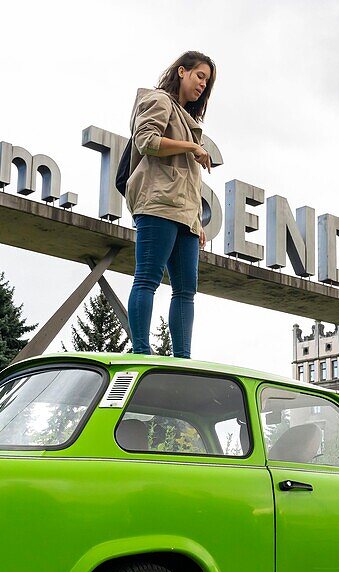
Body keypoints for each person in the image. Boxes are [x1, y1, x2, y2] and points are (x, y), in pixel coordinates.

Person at [123, 51, 216, 358]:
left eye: (208, 81)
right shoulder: (159, 101)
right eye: (199, 76)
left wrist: (196, 220)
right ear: (182, 71)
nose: (203, 84)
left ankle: (183, 358)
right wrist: (192, 146)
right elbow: (146, 141)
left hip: (185, 215)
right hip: (158, 204)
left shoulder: (188, 118)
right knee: (147, 277)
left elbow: (187, 180)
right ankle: (141, 351)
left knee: (186, 290)